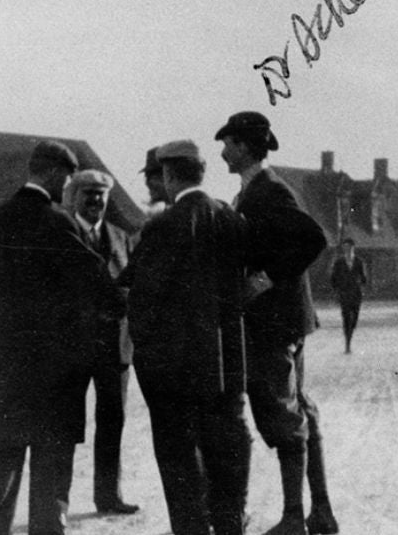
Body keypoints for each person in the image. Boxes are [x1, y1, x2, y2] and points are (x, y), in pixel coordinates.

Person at [0, 141, 126, 535]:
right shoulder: (58, 223)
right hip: (52, 376)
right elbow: (97, 287)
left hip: (4, 371)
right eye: (68, 177)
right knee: (50, 475)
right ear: (55, 173)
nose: (68, 184)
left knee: (2, 471)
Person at [215, 111, 337, 535]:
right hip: (284, 321)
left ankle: (293, 518)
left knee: (284, 416)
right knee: (299, 410)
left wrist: (264, 279)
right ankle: (319, 513)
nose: (223, 151)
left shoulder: (270, 191)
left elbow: (314, 238)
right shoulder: (255, 191)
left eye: (228, 142)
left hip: (274, 325)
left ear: (245, 146)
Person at [122, 139, 251, 535]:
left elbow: (141, 297)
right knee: (226, 457)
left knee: (180, 464)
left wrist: (145, 351)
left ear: (168, 175)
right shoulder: (231, 219)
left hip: (175, 372)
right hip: (227, 366)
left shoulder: (162, 226)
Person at [63, 169, 139, 515]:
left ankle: (108, 495)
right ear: (74, 197)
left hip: (115, 348)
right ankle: (56, 503)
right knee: (63, 425)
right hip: (74, 347)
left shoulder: (122, 238)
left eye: (101, 195)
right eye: (88, 194)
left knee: (113, 422)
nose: (95, 200)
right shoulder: (63, 233)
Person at [330, 237, 368, 354]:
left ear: (353, 248)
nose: (347, 250)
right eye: (345, 248)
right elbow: (333, 278)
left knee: (354, 319)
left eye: (349, 247)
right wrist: (336, 291)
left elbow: (364, 278)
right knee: (346, 318)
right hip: (344, 294)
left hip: (356, 295)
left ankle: (350, 336)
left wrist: (361, 286)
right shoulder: (339, 262)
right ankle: (347, 344)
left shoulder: (359, 262)